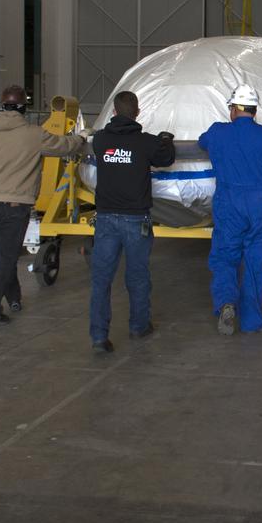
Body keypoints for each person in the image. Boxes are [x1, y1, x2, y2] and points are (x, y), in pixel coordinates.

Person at [0, 85, 85, 328]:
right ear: (23, 108)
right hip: (14, 207)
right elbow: (64, 146)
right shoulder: (34, 134)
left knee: (3, 257)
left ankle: (15, 298)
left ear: (2, 106)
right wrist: (82, 139)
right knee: (6, 260)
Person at [198, 84, 262, 335]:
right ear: (254, 110)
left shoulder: (218, 132)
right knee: (255, 260)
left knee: (225, 256)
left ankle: (227, 302)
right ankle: (252, 321)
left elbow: (201, 141)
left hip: (229, 202)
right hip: (261, 202)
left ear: (233, 108)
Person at [87, 90, 176, 353]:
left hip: (105, 219)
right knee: (137, 276)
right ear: (137, 113)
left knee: (101, 279)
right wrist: (166, 140)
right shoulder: (145, 142)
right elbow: (166, 159)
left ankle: (99, 337)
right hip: (136, 219)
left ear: (114, 112)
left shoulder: (101, 140)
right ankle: (139, 326)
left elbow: (98, 139)